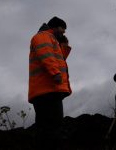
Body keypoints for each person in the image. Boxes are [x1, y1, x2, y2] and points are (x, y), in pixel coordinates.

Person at [28, 16, 72, 148]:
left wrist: (63, 44)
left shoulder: (51, 39)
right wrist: (55, 73)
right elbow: (46, 55)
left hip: (48, 90)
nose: (64, 32)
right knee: (52, 128)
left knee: (47, 128)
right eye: (62, 28)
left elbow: (59, 58)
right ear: (54, 26)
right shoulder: (43, 36)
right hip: (47, 90)